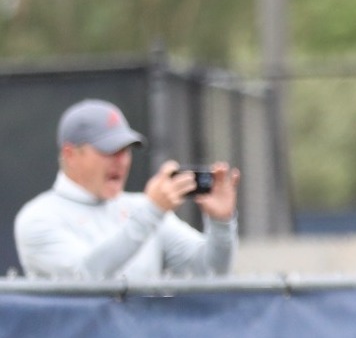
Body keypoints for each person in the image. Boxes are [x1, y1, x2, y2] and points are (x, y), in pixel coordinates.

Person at [14, 99, 239, 279]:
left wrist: (221, 223)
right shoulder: (39, 217)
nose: (121, 161)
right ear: (70, 154)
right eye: (109, 150)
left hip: (142, 326)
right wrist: (152, 212)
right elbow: (83, 278)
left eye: (126, 150)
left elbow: (208, 272)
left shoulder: (142, 208)